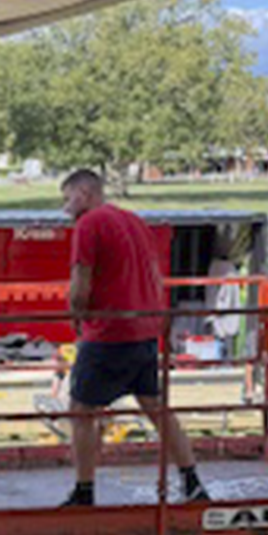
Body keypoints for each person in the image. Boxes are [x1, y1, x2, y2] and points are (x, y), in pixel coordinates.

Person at [59, 168, 202, 507]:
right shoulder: (135, 221)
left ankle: (84, 491)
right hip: (144, 330)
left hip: (108, 332)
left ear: (83, 193)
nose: (66, 208)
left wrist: (76, 318)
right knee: (156, 407)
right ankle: (192, 480)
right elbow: (153, 274)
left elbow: (81, 283)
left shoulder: (88, 224)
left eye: (67, 198)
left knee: (81, 412)